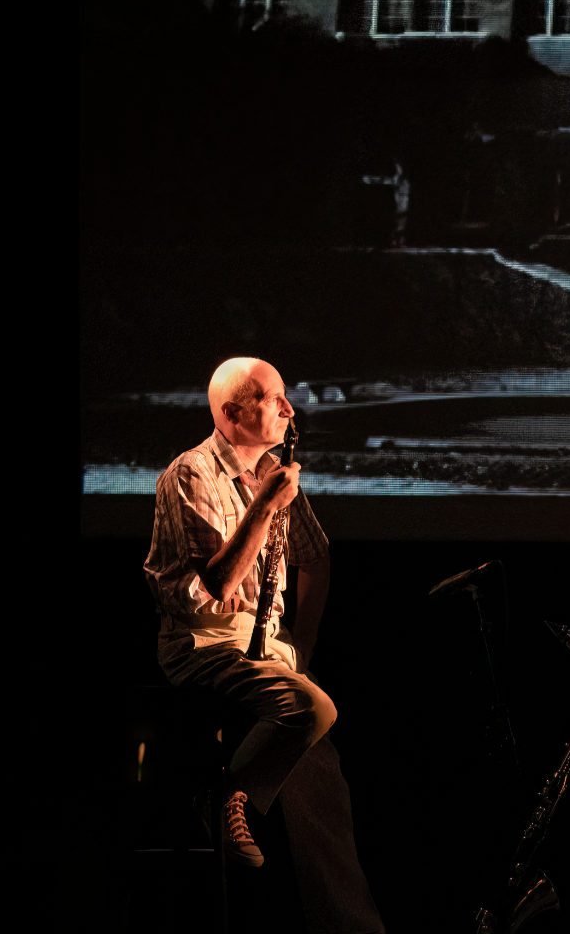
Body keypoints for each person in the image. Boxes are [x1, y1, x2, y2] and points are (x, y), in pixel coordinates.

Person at [143, 357, 385, 932]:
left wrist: (300, 642)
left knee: (321, 779)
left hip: (266, 652)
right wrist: (263, 506)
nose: (288, 408)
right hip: (204, 647)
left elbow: (315, 555)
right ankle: (225, 797)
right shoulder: (189, 475)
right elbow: (219, 585)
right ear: (232, 413)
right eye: (273, 398)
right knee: (311, 711)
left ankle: (347, 922)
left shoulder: (273, 470)